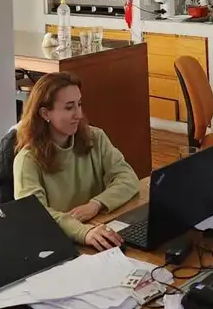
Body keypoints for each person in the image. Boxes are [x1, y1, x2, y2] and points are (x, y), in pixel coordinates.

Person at [14, 72, 139, 251]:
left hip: (98, 231)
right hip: (60, 243)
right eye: (69, 107)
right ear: (45, 113)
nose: (78, 114)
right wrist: (83, 232)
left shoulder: (95, 137)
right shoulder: (27, 160)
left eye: (79, 104)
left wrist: (96, 204)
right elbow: (36, 215)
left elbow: (128, 178)